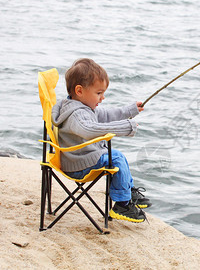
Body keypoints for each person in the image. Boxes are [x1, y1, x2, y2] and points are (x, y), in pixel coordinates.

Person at [52, 58, 151, 223]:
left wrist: (131, 110)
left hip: (79, 158)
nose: (102, 97)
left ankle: (127, 192)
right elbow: (89, 130)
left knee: (115, 156)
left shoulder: (79, 106)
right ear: (79, 91)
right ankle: (122, 205)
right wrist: (125, 127)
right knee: (116, 157)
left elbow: (105, 115)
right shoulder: (78, 114)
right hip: (78, 164)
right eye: (99, 93)